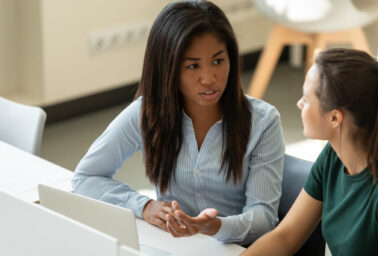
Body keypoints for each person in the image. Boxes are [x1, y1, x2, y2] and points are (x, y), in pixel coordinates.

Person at [71, 0, 284, 246]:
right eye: (193, 66)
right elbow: (86, 177)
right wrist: (144, 206)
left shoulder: (263, 121)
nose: (209, 78)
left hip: (236, 250)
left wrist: (215, 226)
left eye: (218, 61)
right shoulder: (146, 113)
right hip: (173, 248)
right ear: (168, 69)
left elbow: (264, 219)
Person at [242, 48, 378, 255]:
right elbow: (285, 237)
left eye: (306, 98)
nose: (299, 104)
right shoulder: (333, 157)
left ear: (335, 118)